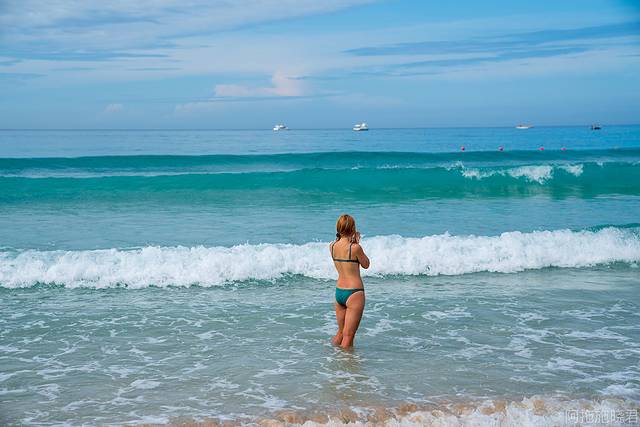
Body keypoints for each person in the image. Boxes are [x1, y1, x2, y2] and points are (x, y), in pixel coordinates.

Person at [329, 214, 370, 348]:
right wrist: (356, 243)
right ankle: (346, 361)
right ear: (353, 228)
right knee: (348, 336)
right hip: (354, 293)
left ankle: (331, 356)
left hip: (339, 292)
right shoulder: (355, 248)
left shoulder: (332, 246)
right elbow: (366, 264)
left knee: (341, 332)